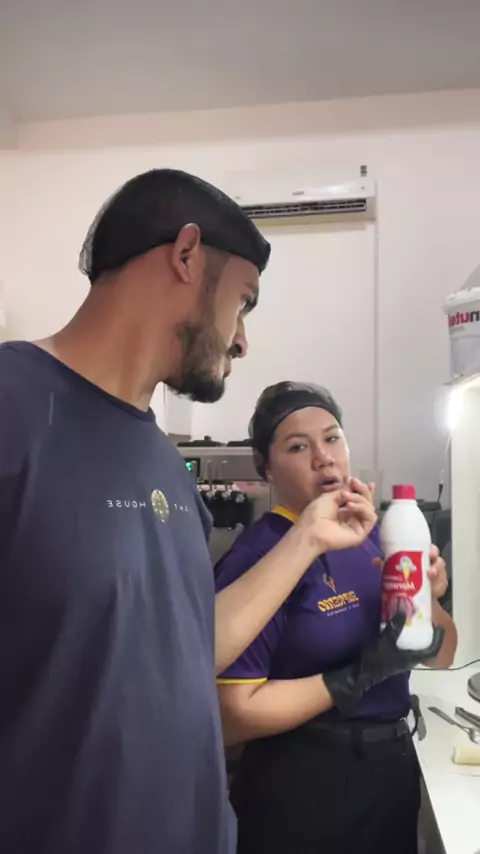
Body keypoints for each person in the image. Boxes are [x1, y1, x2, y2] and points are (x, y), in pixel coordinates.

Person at [0, 170, 391, 854]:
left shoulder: (160, 457)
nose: (242, 341)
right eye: (243, 302)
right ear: (185, 256)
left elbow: (188, 642)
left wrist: (307, 538)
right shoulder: (14, 405)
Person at [215, 381, 457, 854]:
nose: (323, 458)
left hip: (389, 770)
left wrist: (431, 600)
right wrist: (355, 677)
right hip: (304, 784)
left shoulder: (372, 536)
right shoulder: (258, 558)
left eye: (332, 438)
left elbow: (442, 656)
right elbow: (232, 717)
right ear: (266, 467)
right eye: (298, 447)